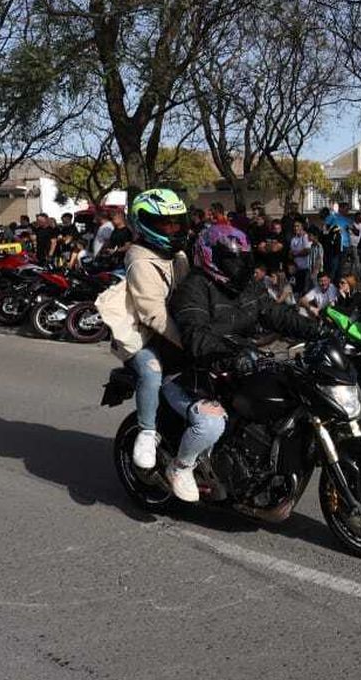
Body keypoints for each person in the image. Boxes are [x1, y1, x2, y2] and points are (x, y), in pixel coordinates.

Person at [166, 229, 325, 502]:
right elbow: (195, 335)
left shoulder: (247, 285)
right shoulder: (195, 287)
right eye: (231, 259)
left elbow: (276, 314)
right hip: (197, 372)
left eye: (242, 258)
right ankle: (180, 466)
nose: (239, 265)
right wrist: (233, 352)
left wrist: (318, 330)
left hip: (239, 363)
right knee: (211, 424)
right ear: (211, 258)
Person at [119, 190, 193, 478]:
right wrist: (189, 342)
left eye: (176, 222)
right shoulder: (139, 259)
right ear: (144, 223)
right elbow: (154, 314)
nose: (173, 229)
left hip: (171, 332)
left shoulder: (179, 256)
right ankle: (147, 433)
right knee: (151, 372)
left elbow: (190, 294)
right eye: (165, 224)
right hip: (142, 336)